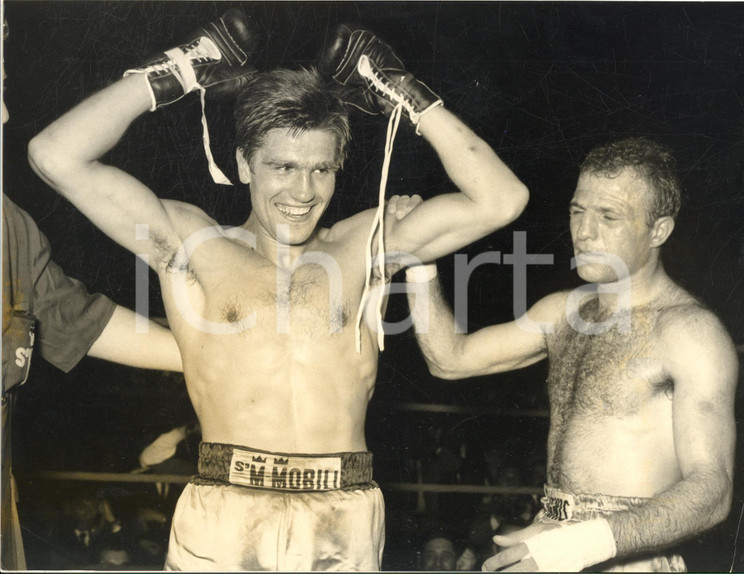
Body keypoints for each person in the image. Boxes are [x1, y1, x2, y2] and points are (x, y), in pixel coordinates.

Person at [27, 11, 529, 571]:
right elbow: (55, 154)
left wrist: (401, 93)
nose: (302, 191)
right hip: (225, 509)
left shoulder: (365, 243)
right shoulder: (192, 243)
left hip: (347, 513)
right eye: (283, 167)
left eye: (321, 169)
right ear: (244, 164)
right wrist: (178, 73)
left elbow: (501, 199)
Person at [405, 137, 737, 571]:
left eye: (609, 216)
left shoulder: (689, 332)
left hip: (626, 554)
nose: (585, 231)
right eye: (578, 211)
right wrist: (418, 259)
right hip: (548, 536)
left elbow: (713, 492)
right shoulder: (562, 312)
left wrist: (578, 545)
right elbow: (450, 358)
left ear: (659, 230)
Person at [1, 17, 183, 570]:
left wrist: (221, 357)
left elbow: (77, 319)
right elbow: (55, 153)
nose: (4, 112)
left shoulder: (9, 226)